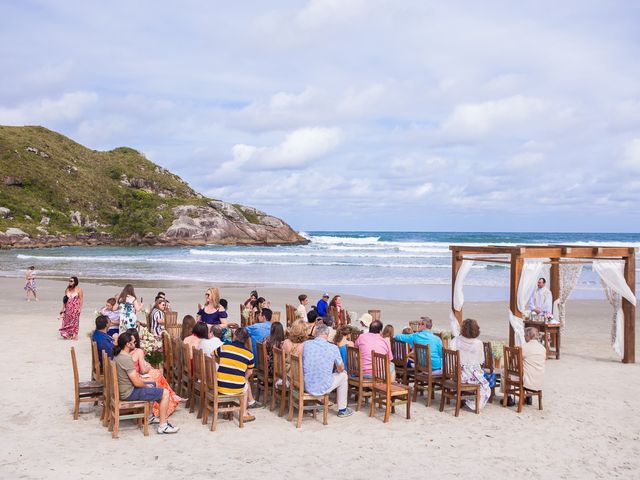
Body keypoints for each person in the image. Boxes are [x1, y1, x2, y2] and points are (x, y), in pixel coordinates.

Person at [112, 332, 179, 434]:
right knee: (165, 393)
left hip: (124, 389)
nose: (135, 343)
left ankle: (150, 416)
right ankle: (163, 425)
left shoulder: (118, 355)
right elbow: (136, 382)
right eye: (133, 342)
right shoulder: (126, 358)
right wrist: (146, 385)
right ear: (127, 344)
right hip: (129, 393)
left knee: (154, 384)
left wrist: (148, 384)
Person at [126, 328, 183, 417]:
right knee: (157, 375)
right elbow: (142, 370)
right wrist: (148, 368)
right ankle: (163, 403)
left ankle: (170, 396)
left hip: (130, 378)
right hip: (134, 380)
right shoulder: (137, 351)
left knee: (156, 373)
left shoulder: (123, 352)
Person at [302, 324, 353, 418]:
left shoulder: (306, 344)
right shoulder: (333, 347)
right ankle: (342, 409)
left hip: (306, 385)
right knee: (344, 375)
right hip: (322, 386)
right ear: (327, 334)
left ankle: (321, 403)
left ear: (316, 333)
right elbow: (341, 368)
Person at [216, 327, 260, 421]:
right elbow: (250, 372)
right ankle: (243, 414)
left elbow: (214, 354)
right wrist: (244, 378)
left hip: (219, 385)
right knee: (245, 385)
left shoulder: (224, 347)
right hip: (236, 387)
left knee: (242, 382)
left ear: (234, 336)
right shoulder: (249, 354)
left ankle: (227, 411)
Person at [450, 319, 491, 411]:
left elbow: (451, 358)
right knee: (485, 386)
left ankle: (464, 398)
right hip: (469, 376)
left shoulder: (455, 341)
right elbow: (481, 361)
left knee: (478, 379)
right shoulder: (478, 343)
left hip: (456, 375)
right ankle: (472, 403)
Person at [522, 326, 546, 399]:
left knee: (505, 372)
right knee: (528, 365)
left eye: (525, 335)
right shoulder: (543, 348)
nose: (524, 336)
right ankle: (529, 396)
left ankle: (508, 398)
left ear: (528, 336)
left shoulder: (524, 347)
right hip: (540, 378)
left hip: (527, 379)